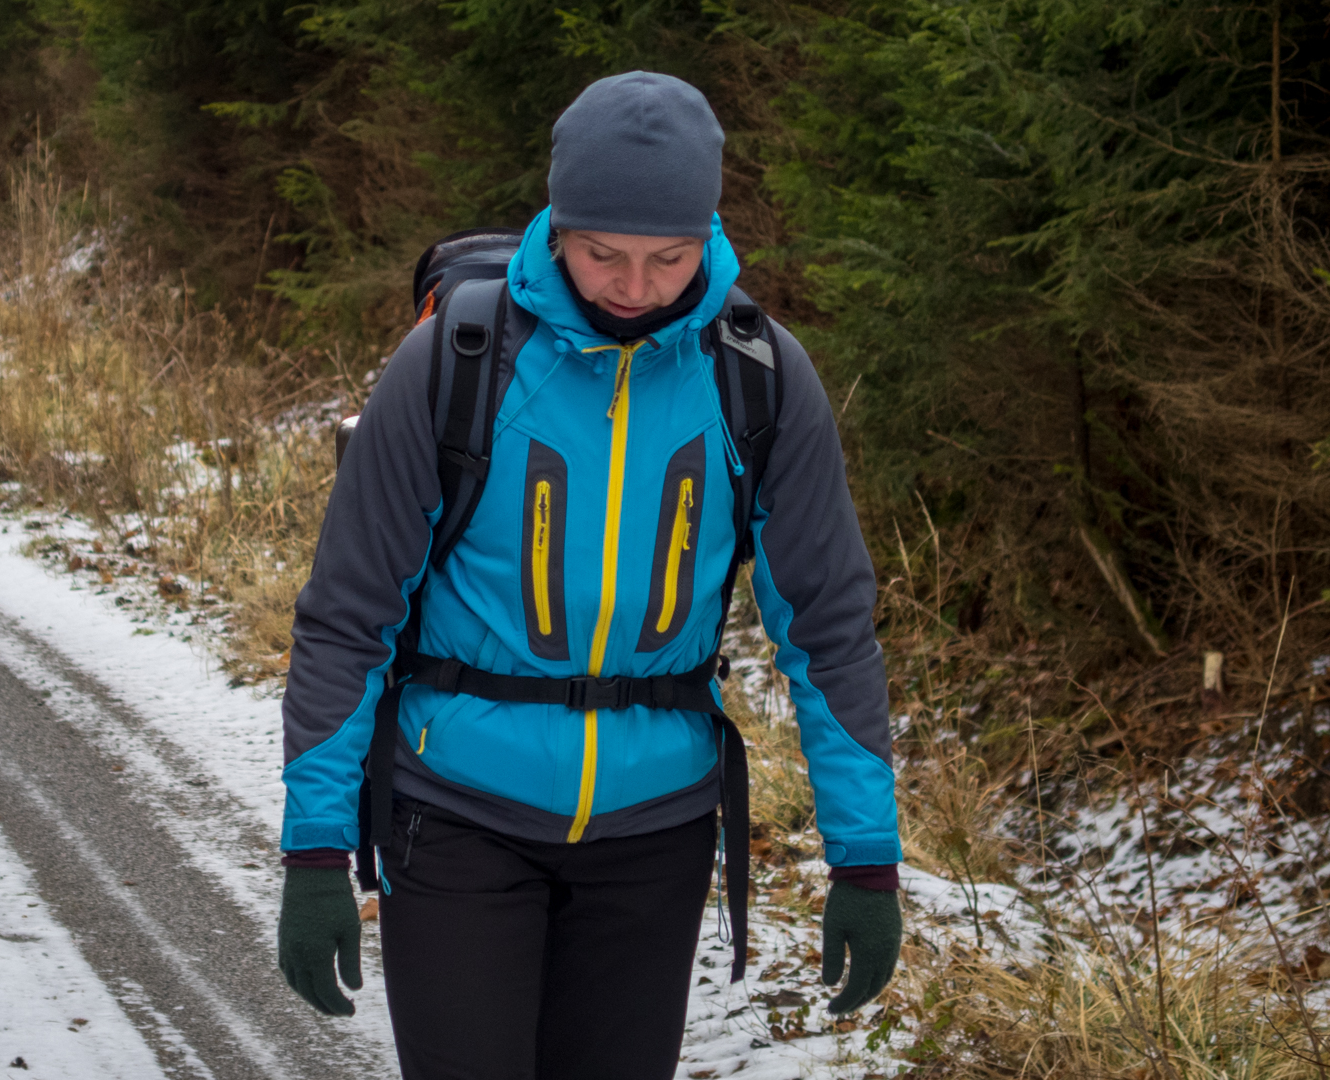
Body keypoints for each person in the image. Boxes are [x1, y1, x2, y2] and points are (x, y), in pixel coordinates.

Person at [275, 71, 901, 1079]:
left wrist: (865, 857)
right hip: (457, 812)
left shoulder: (759, 379)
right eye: (603, 251)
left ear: (708, 235)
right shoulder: (452, 362)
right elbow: (348, 616)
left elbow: (827, 628)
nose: (633, 285)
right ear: (557, 224)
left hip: (653, 835)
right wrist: (312, 851)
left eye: (669, 257)